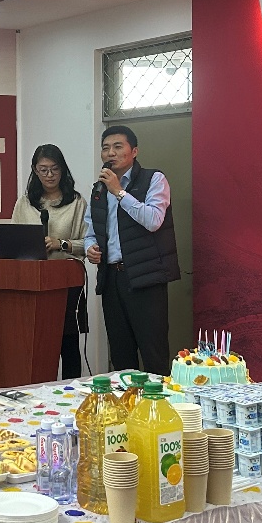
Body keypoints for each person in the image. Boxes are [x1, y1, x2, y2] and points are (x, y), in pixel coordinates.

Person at [83, 125, 180, 375]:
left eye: (118, 147)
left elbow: (153, 220)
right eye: (106, 148)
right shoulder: (98, 190)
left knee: (153, 353)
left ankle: (158, 400)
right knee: (121, 355)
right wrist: (90, 248)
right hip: (112, 280)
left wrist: (119, 191)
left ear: (134, 151)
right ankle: (127, 399)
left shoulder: (154, 179)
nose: (110, 153)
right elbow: (91, 231)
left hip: (146, 279)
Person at [10, 144, 87, 379]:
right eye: (43, 170)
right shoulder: (25, 203)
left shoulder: (76, 202)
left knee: (68, 344)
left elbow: (88, 243)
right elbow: (12, 241)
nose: (50, 175)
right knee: (37, 346)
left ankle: (72, 391)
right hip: (31, 284)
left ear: (63, 169)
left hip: (65, 284)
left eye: (55, 169)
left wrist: (61, 244)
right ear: (35, 170)